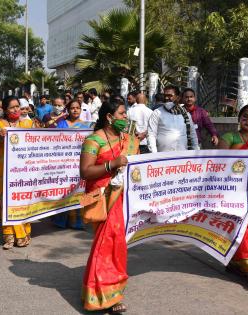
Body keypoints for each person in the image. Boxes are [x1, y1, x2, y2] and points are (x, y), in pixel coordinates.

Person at [80, 101, 139, 314]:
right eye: (122, 114)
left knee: (117, 245)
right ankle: (102, 295)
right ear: (109, 117)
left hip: (123, 199)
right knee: (106, 245)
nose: (125, 118)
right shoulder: (94, 140)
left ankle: (108, 290)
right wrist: (111, 165)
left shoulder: (131, 141)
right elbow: (85, 172)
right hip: (102, 199)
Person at [219, 104, 248, 288]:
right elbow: (222, 160)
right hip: (236, 192)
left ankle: (238, 263)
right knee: (242, 226)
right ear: (239, 119)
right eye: (245, 116)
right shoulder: (229, 137)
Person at [0, 96, 34, 249]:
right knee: (8, 202)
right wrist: (1, 138)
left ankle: (23, 234)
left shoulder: (28, 124)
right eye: (12, 107)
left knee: (24, 201)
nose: (16, 110)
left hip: (24, 170)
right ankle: (9, 236)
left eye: (18, 107)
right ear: (6, 110)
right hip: (5, 170)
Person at [52, 100, 92, 230]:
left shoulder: (87, 126)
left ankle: (78, 221)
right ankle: (61, 220)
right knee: (64, 189)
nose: (75, 110)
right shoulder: (61, 124)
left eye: (78, 108)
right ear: (68, 110)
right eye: (72, 108)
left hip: (80, 162)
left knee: (79, 189)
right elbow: (54, 142)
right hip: (64, 163)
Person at [148, 85, 199, 152]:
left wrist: (196, 151)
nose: (166, 98)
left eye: (170, 95)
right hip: (163, 156)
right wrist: (154, 154)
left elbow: (192, 134)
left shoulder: (185, 113)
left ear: (177, 97)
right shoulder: (157, 113)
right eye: (165, 95)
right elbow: (151, 134)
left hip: (182, 154)